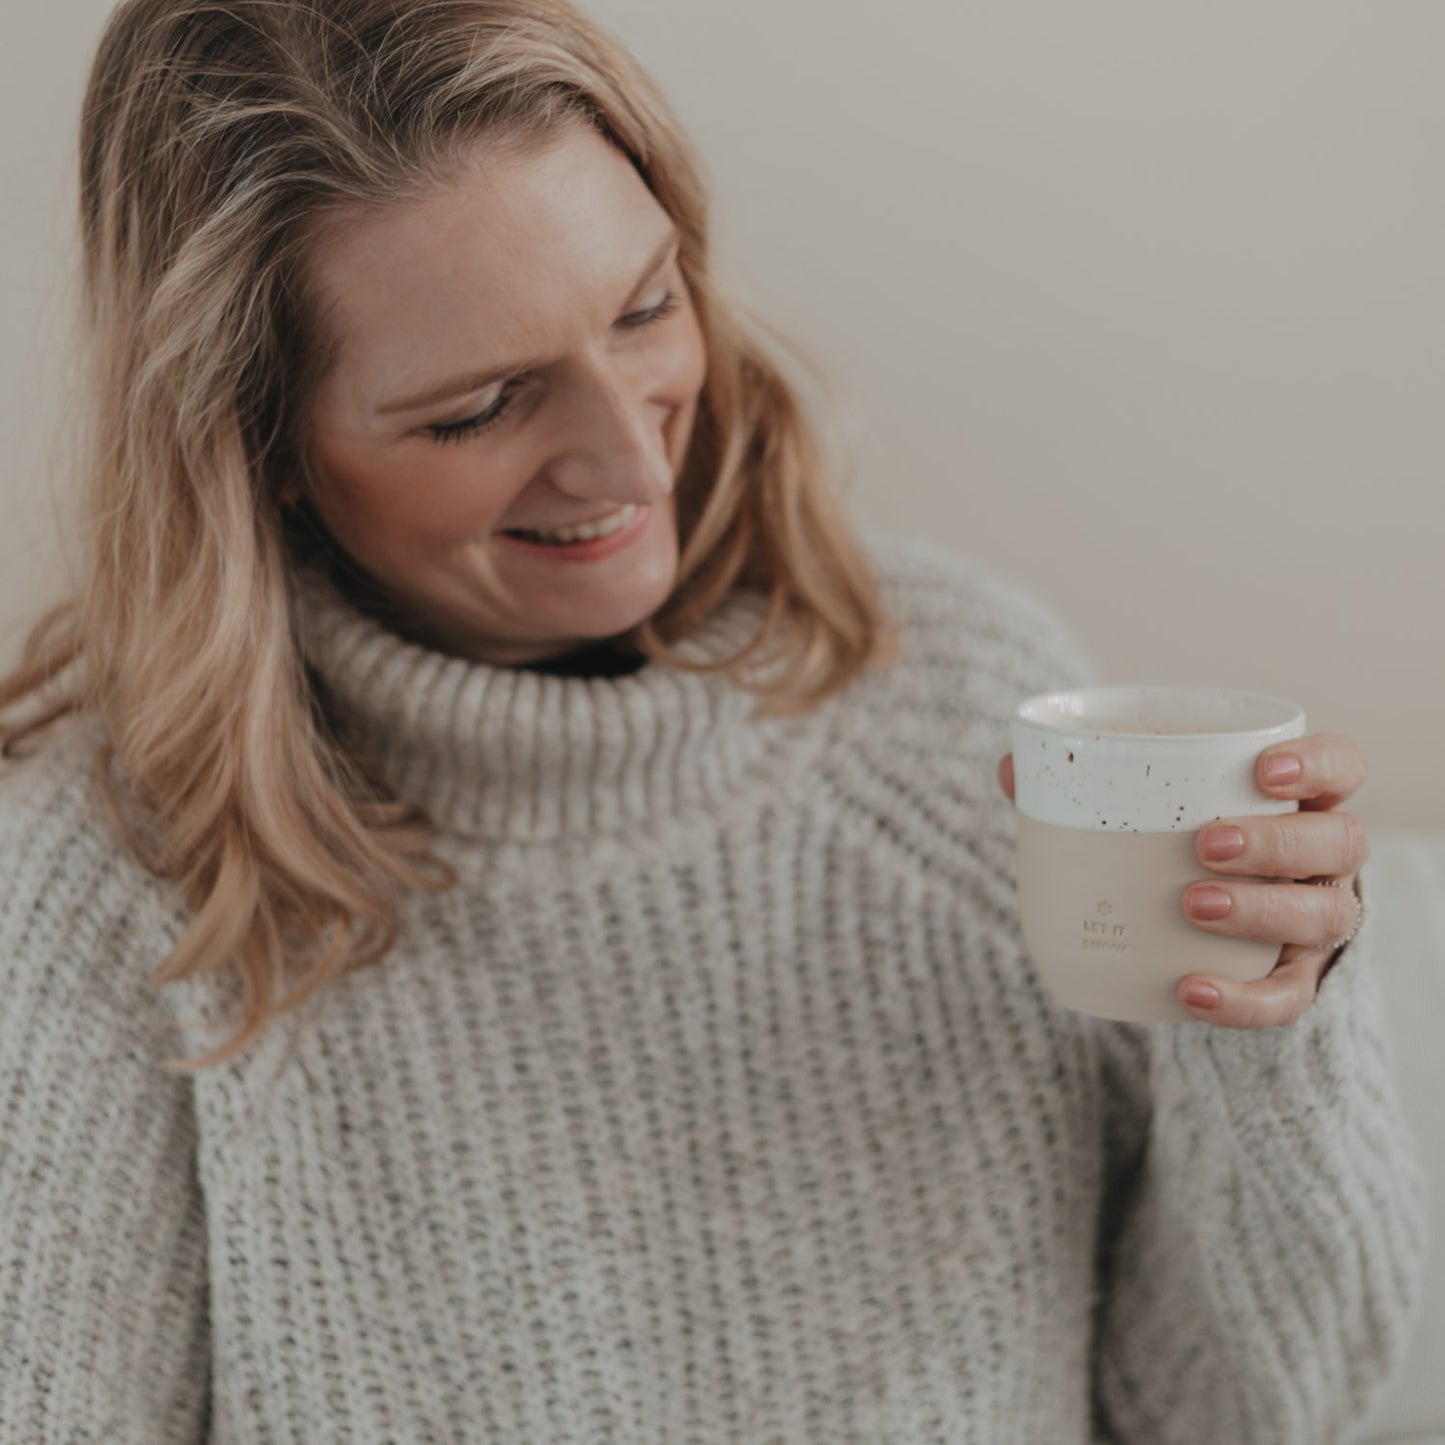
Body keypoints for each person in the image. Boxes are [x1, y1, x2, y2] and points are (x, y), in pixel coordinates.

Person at [0, 1, 1428, 1440]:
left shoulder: (964, 708)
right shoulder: (109, 875)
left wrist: (1273, 1025)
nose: (630, 453)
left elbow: (1238, 1414)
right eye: (483, 406)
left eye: (643, 308)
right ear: (260, 445)